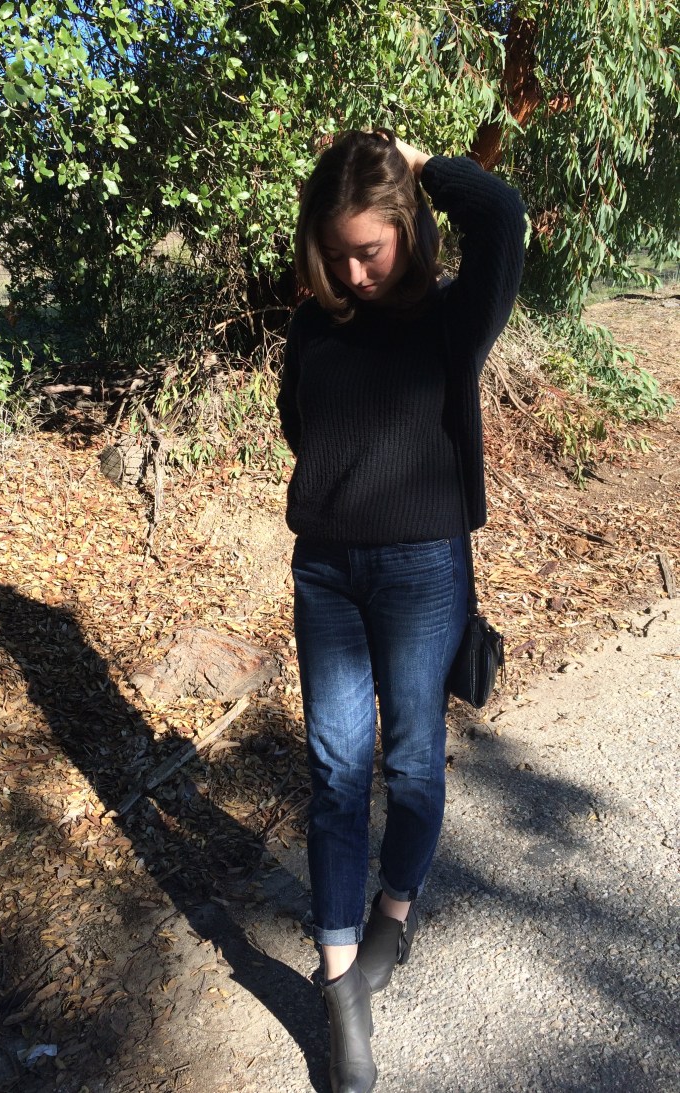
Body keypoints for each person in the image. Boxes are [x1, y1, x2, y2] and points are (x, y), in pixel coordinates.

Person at [276, 129, 526, 1093]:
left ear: (408, 231)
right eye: (335, 251)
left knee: (412, 761)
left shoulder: (453, 319)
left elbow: (501, 217)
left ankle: (393, 914)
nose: (352, 269)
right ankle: (343, 985)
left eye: (369, 249)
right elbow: (305, 428)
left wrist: (428, 168)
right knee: (335, 770)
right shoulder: (312, 328)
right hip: (326, 574)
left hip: (425, 569)